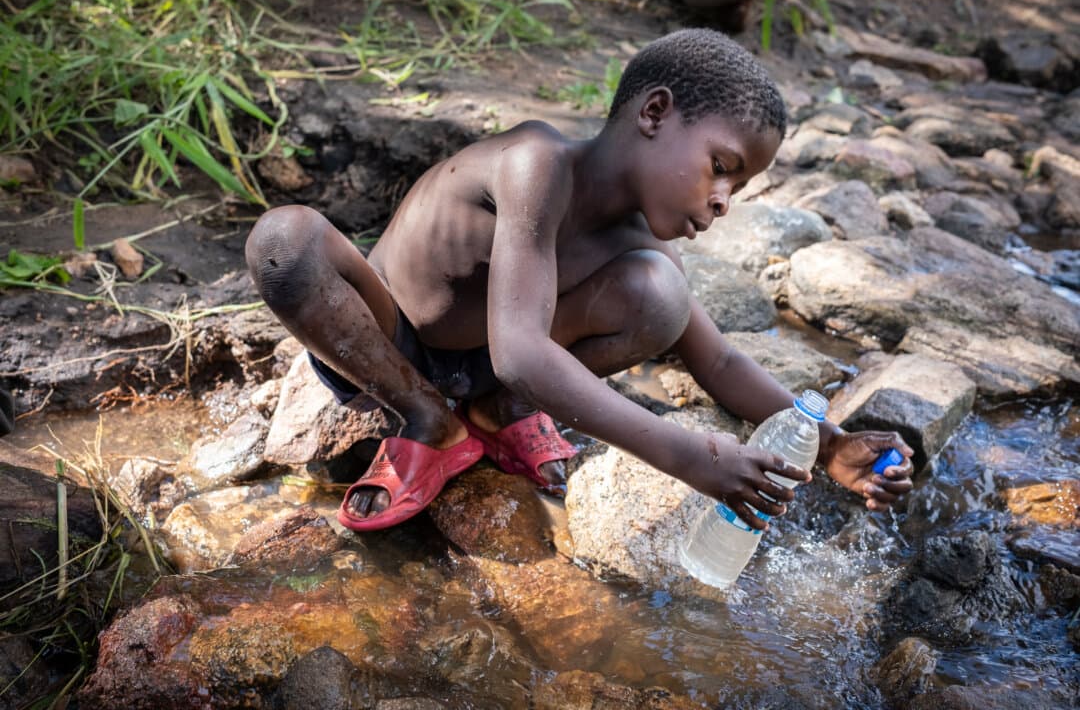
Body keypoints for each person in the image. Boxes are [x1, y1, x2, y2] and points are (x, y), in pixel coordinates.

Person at [246, 29, 914, 533]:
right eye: (721, 166)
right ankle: (424, 418)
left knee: (660, 297)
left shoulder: (641, 239)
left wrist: (830, 447)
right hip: (392, 339)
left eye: (738, 187)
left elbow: (718, 357)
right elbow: (521, 351)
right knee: (285, 241)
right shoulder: (535, 167)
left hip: (487, 369)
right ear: (654, 113)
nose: (723, 200)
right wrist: (688, 456)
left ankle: (495, 413)